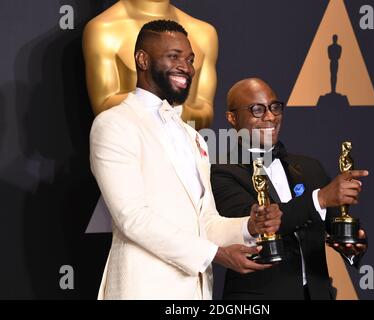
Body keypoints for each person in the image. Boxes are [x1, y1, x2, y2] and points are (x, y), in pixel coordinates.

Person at [90, 22, 282, 300]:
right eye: (174, 56)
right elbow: (132, 217)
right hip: (142, 290)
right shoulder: (114, 124)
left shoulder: (192, 137)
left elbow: (205, 220)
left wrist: (248, 226)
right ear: (142, 60)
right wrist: (215, 254)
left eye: (190, 59)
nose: (187, 67)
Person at [211, 78, 368, 300]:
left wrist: (353, 246)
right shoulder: (222, 172)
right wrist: (319, 199)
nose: (270, 117)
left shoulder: (310, 167)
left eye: (275, 107)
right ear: (232, 118)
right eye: (257, 109)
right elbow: (260, 225)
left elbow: (336, 228)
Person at [83, 0, 218, 129]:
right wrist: (170, 110)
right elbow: (105, 108)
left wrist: (176, 112)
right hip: (133, 147)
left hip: (188, 149)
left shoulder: (205, 33)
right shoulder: (103, 30)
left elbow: (206, 113)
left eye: (190, 60)